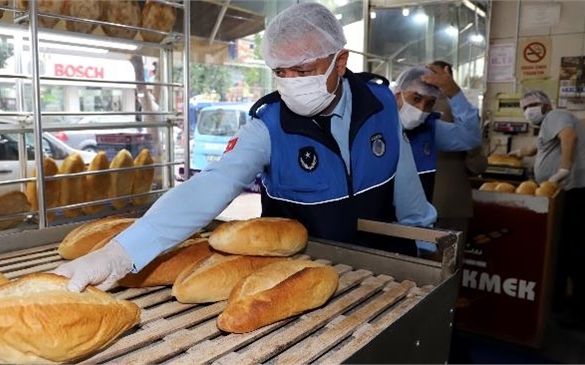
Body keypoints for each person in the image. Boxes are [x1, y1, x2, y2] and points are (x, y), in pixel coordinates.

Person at [53, 2, 437, 292]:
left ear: (340, 62)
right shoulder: (268, 126)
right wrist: (120, 254)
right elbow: (211, 185)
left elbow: (405, 182)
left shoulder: (381, 103)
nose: (290, 83)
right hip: (296, 277)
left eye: (302, 71)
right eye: (280, 72)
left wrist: (424, 250)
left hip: (380, 275)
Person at [509, 90, 585, 328]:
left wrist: (563, 169)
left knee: (571, 249)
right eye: (524, 107)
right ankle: (558, 303)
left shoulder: (557, 115)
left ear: (546, 104)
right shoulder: (547, 124)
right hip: (563, 192)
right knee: (561, 248)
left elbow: (569, 136)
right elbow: (538, 147)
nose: (528, 110)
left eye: (533, 104)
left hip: (571, 190)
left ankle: (580, 311)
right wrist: (520, 152)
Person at [391, 62, 482, 255]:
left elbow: (470, 137)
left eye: (429, 103)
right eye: (415, 99)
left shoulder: (430, 129)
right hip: (381, 226)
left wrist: (454, 94)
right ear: (398, 94)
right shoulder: (375, 125)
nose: (421, 109)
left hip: (418, 227)